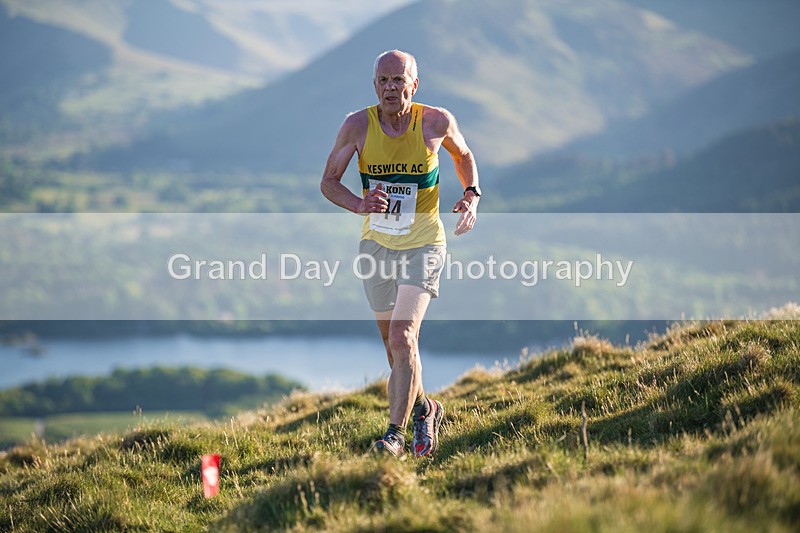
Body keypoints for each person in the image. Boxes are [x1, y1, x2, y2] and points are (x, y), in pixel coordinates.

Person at [320, 50, 481, 457]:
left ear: (414, 84)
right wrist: (358, 204)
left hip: (425, 242)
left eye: (399, 79)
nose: (391, 87)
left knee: (402, 334)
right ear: (375, 86)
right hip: (376, 245)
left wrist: (471, 194)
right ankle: (427, 409)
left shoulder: (435, 122)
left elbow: (463, 156)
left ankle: (394, 436)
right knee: (396, 351)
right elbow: (328, 182)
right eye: (383, 80)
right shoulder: (357, 126)